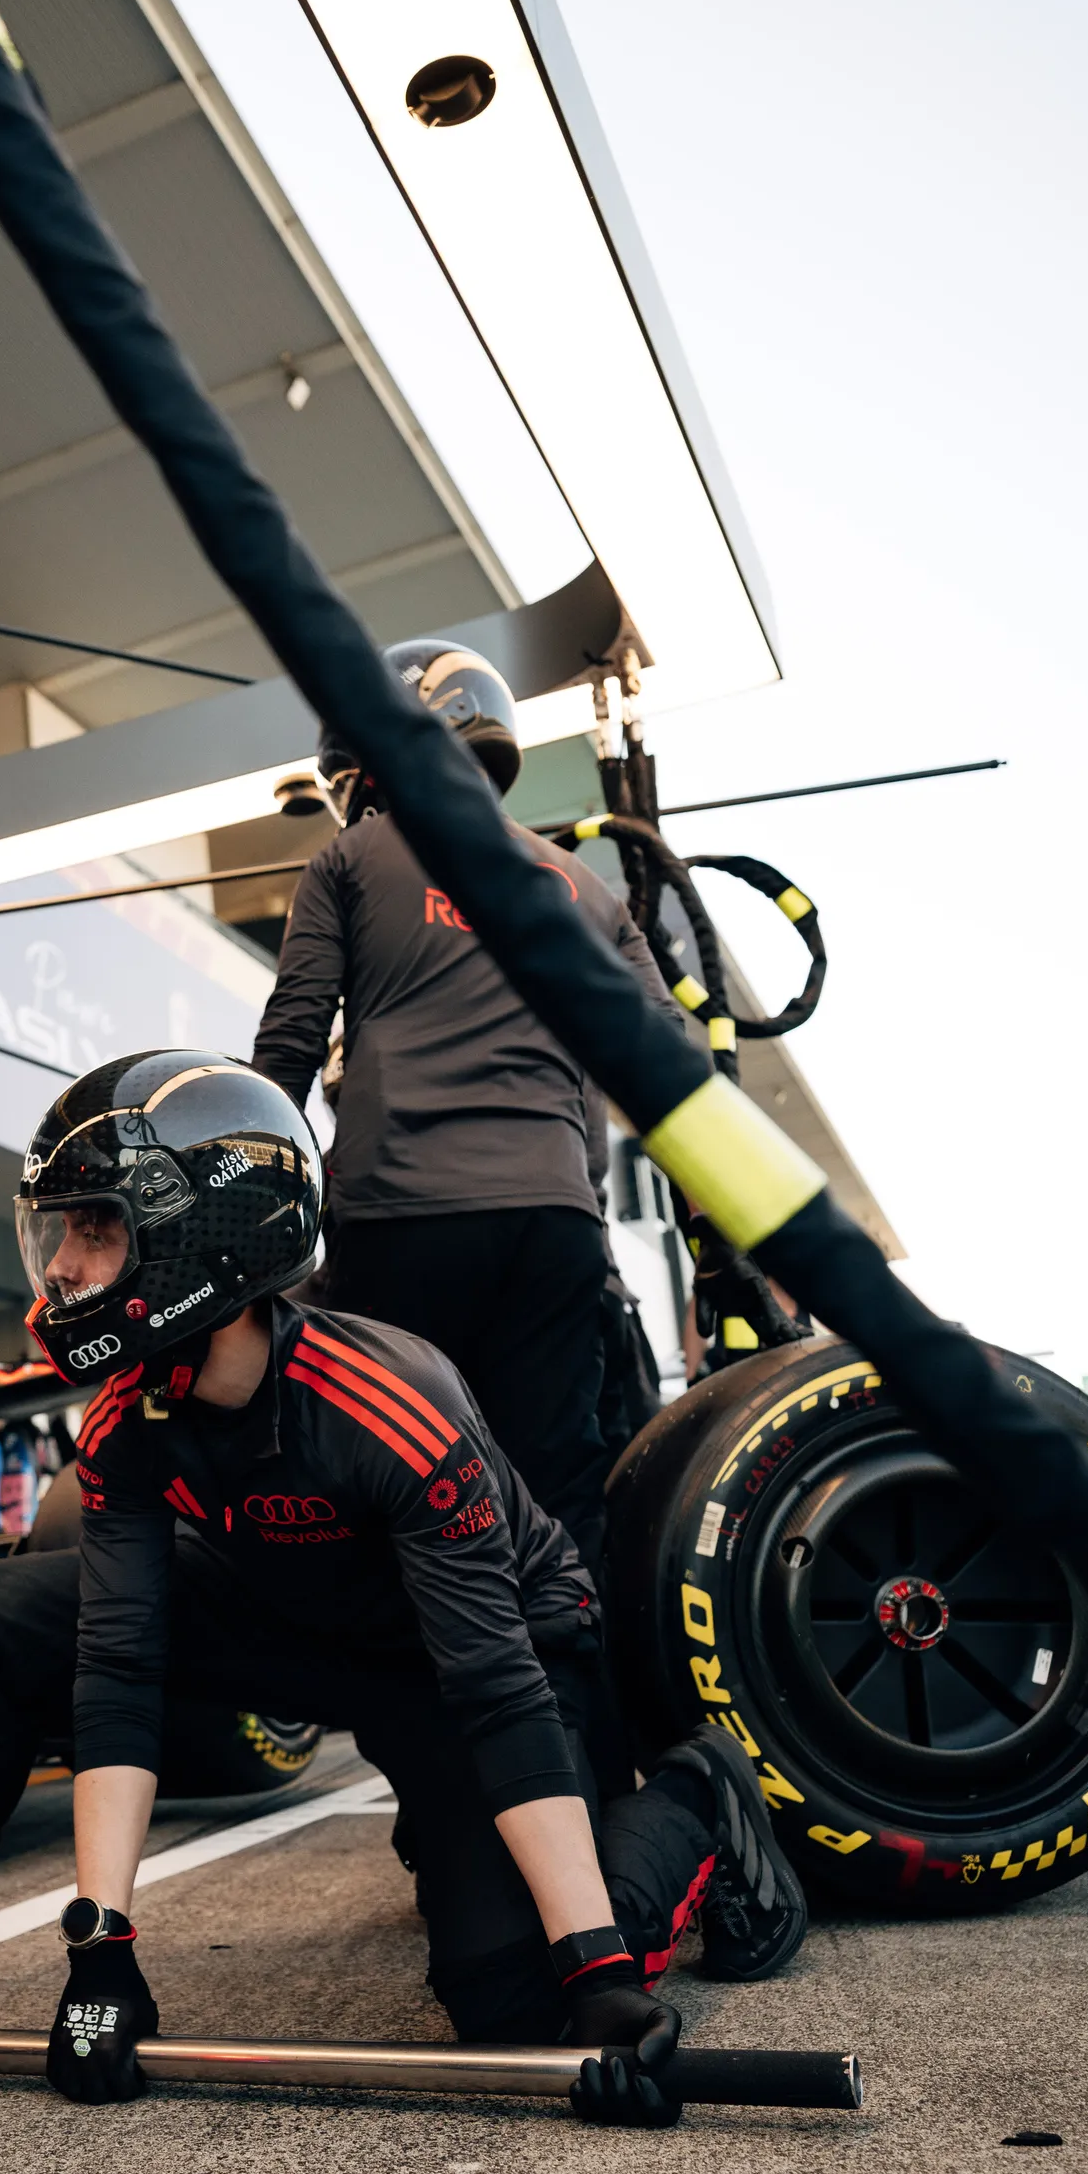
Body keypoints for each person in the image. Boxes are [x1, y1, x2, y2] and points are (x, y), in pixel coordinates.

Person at [0, 1054, 807, 2127]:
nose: (59, 1266)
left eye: (94, 1228)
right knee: (9, 1612)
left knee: (517, 2009)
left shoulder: (390, 1404)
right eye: (57, 1231)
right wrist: (99, 1950)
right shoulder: (125, 1418)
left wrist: (594, 1974)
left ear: (204, 1241)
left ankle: (697, 1798)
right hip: (303, 1616)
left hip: (486, 1652)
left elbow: (496, 1688)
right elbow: (117, 1670)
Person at [250, 639, 676, 1584]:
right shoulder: (590, 891)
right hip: (555, 1228)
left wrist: (257, 1203)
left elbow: (290, 1041)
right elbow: (665, 1060)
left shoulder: (351, 858)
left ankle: (433, 1706)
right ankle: (572, 1712)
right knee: (556, 1483)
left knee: (396, 1475)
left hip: (404, 1222)